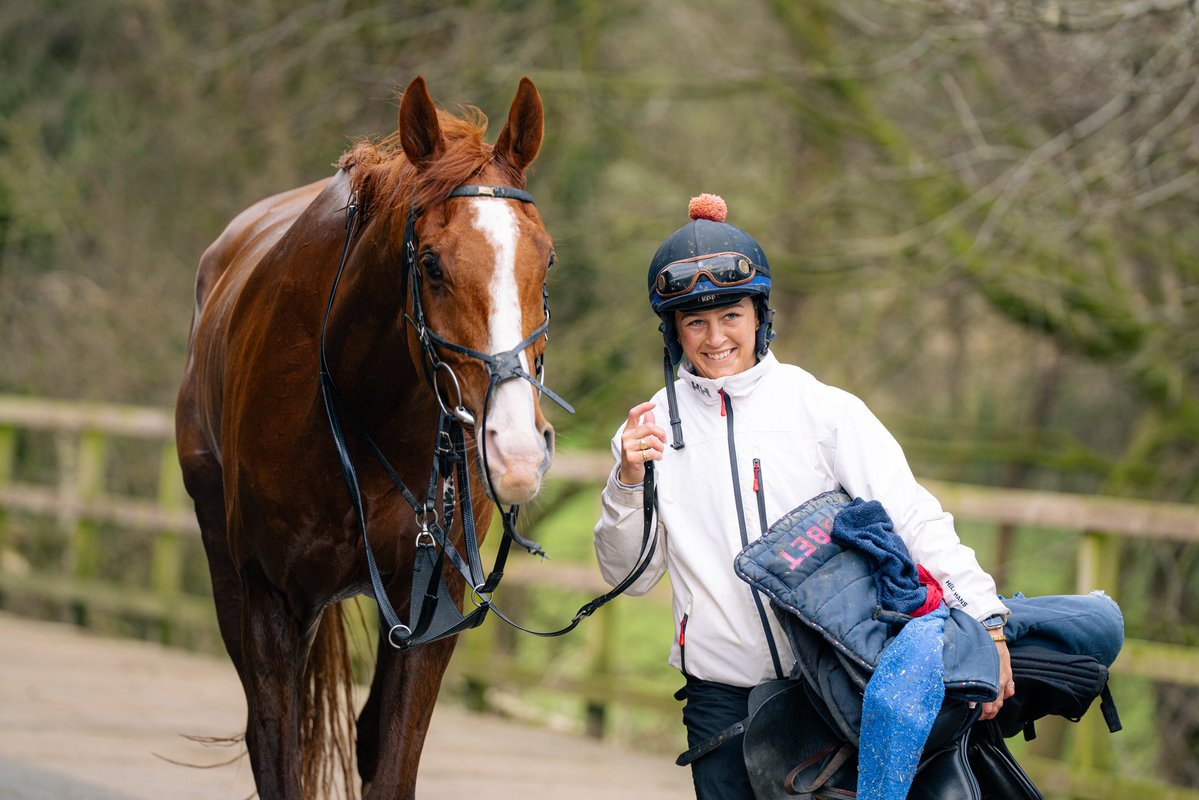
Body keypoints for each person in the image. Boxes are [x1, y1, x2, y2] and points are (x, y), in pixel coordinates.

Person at [592, 194, 1122, 799]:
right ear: (673, 331)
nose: (715, 339)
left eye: (731, 316)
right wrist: (626, 483)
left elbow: (913, 515)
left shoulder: (824, 411)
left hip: (830, 685)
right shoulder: (648, 429)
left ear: (760, 315)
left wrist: (989, 622)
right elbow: (628, 577)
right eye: (695, 322)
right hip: (720, 701)